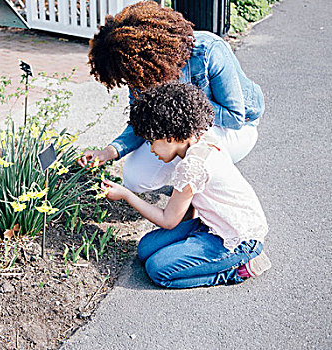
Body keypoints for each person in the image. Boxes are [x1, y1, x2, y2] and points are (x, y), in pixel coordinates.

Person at [79, 1, 265, 194]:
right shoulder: (140, 74)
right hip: (182, 130)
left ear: (151, 58)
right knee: (134, 177)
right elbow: (139, 123)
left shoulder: (208, 50)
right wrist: (109, 152)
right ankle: (187, 181)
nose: (134, 82)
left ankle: (201, 199)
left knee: (192, 149)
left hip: (236, 129)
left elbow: (234, 117)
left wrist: (179, 103)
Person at [101, 82, 270, 288]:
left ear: (171, 137)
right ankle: (196, 244)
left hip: (238, 238)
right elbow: (187, 206)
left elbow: (168, 220)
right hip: (214, 223)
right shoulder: (200, 140)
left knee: (158, 269)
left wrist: (127, 195)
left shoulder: (192, 166)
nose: (151, 149)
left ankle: (238, 270)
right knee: (145, 248)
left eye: (151, 141)